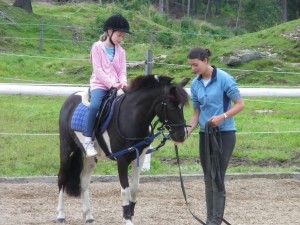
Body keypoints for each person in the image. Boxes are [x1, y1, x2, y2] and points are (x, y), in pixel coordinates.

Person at [186, 47, 245, 225]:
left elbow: (240, 104)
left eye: (195, 65)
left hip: (225, 134)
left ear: (205, 61)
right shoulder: (195, 85)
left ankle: (215, 220)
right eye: (191, 65)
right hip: (205, 134)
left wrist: (223, 117)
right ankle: (210, 218)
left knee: (217, 176)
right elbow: (196, 114)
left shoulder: (225, 79)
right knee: (207, 176)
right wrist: (186, 132)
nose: (193, 69)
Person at [84, 15, 131, 158]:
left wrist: (123, 82)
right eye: (119, 35)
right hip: (99, 84)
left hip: (117, 85)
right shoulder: (97, 47)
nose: (121, 39)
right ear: (109, 32)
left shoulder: (121, 51)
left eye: (123, 36)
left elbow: (122, 71)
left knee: (131, 105)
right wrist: (112, 84)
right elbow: (98, 71)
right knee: (95, 106)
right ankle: (88, 141)